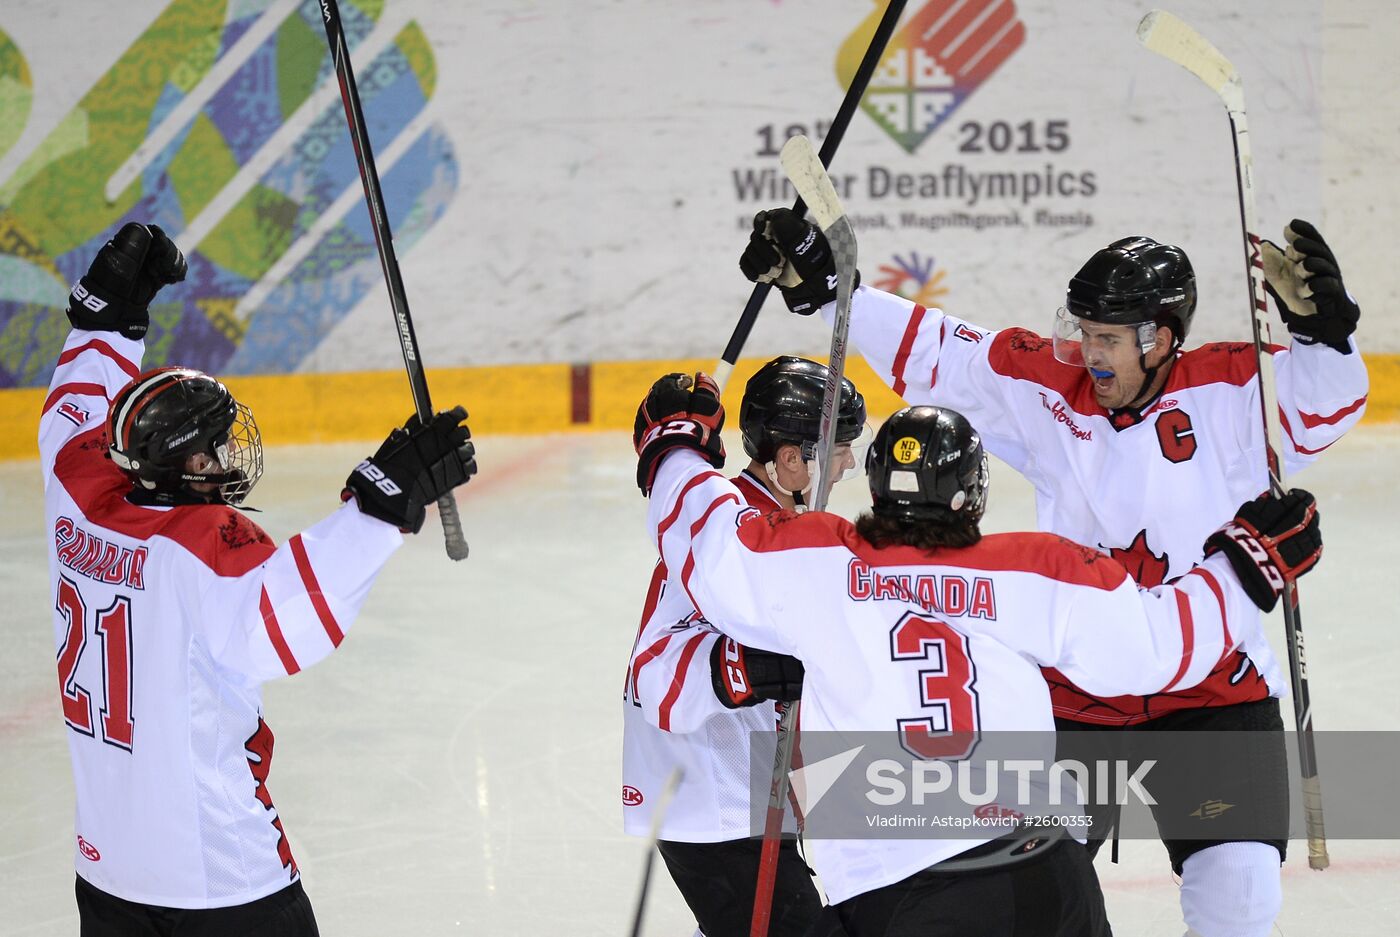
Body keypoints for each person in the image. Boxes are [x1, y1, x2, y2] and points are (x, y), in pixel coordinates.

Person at [738, 210, 1367, 936]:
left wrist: (1325, 335)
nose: (1088, 352)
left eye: (1107, 338)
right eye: (1084, 331)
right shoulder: (1049, 383)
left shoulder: (1231, 386)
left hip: (1212, 690)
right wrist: (831, 293)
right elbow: (940, 351)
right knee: (1030, 888)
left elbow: (1324, 408)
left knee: (1240, 904)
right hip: (1078, 690)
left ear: (1159, 338)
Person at [632, 376, 1324, 936]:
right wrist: (1244, 568)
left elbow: (710, 542)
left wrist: (675, 453)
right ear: (972, 492)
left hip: (904, 891)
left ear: (874, 486)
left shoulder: (817, 561)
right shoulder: (1038, 567)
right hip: (1049, 873)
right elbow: (1159, 647)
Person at [41, 222, 476, 935]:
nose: (224, 454)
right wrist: (381, 502)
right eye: (212, 446)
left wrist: (106, 320)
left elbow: (75, 406)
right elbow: (285, 621)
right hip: (219, 880)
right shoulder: (204, 545)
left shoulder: (77, 487)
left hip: (106, 876)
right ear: (186, 463)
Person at [622, 356, 868, 937]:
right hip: (714, 807)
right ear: (789, 460)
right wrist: (739, 668)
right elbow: (651, 678)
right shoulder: (730, 537)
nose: (849, 462)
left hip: (755, 789)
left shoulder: (782, 526)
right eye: (838, 447)